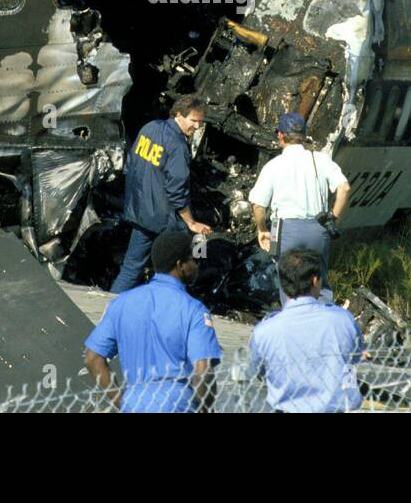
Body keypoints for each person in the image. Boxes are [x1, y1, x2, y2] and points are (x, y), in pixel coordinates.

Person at [84, 230, 222, 413]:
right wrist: (205, 408)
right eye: (193, 260)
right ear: (180, 265)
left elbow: (93, 358)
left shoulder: (121, 303)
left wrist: (121, 402)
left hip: (135, 401)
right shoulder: (194, 310)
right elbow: (203, 370)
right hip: (178, 403)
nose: (196, 266)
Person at [110, 95, 212, 294]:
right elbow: (176, 191)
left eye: (200, 122)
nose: (197, 127)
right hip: (163, 220)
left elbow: (130, 164)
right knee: (176, 271)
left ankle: (110, 308)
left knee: (131, 268)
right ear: (178, 115)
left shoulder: (149, 128)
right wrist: (191, 223)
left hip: (139, 211)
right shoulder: (178, 146)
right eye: (193, 121)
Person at [248, 112, 351, 303]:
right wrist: (334, 217)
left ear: (280, 135)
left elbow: (258, 204)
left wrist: (262, 229)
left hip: (286, 230)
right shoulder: (320, 159)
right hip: (317, 229)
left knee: (288, 281)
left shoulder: (274, 165)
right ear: (303, 135)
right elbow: (344, 187)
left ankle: (292, 320)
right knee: (319, 280)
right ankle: (322, 322)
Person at [246, 248, 365, 413]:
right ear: (315, 280)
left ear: (282, 282)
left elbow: (257, 370)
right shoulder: (343, 320)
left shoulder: (264, 331)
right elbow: (356, 356)